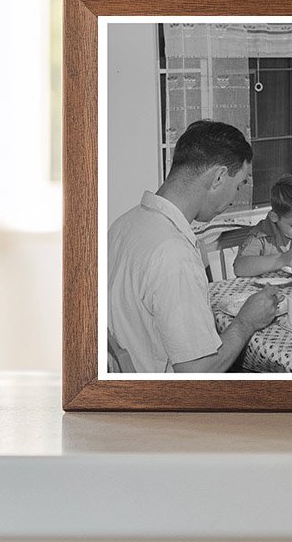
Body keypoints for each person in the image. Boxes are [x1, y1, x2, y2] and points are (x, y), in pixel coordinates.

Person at [107, 120, 279, 373]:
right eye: (239, 184)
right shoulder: (173, 254)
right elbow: (197, 373)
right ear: (219, 177)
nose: (235, 198)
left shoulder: (126, 223)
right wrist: (245, 323)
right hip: (163, 402)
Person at [232, 175, 292, 278]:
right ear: (275, 217)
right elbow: (239, 268)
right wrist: (282, 259)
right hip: (267, 291)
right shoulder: (262, 235)